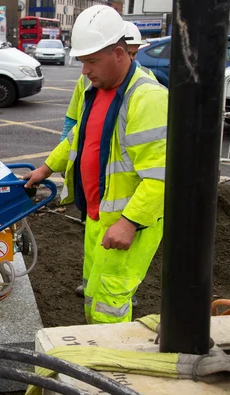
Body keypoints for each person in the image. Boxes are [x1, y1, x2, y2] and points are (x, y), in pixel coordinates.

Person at [25, 5, 168, 325]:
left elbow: (161, 177)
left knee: (110, 302)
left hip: (126, 223)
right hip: (97, 216)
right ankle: (93, 348)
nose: (83, 71)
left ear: (119, 53)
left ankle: (108, 367)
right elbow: (78, 138)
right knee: (93, 290)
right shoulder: (99, 90)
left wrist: (130, 222)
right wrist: (46, 169)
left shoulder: (146, 99)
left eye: (91, 61)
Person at [61, 21, 156, 142]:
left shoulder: (148, 82)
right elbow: (73, 123)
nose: (130, 59)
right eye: (128, 53)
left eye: (134, 53)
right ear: (119, 52)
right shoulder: (86, 78)